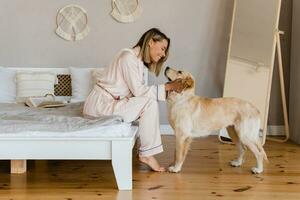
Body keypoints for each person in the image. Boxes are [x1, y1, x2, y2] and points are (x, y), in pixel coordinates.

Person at [83, 28, 184, 172]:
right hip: (100, 105)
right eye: (162, 48)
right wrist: (168, 87)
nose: (163, 54)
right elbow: (139, 92)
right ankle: (147, 154)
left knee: (148, 102)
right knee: (149, 103)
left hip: (109, 103)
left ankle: (147, 153)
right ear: (150, 42)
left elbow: (138, 93)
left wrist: (168, 89)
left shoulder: (136, 61)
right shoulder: (128, 57)